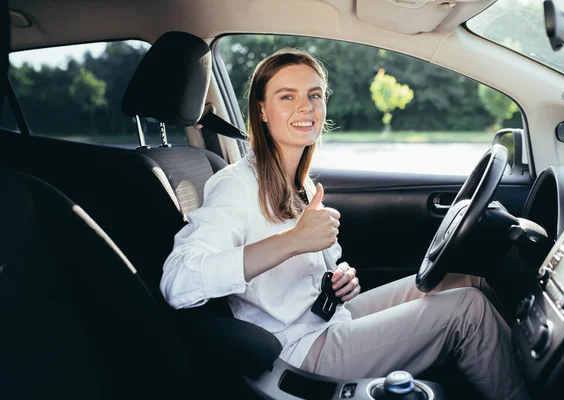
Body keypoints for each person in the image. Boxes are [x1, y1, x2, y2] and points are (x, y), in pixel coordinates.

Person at [160, 48, 530, 400]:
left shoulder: (299, 183)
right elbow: (179, 282)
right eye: (287, 96)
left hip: (330, 318)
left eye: (315, 95)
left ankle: (520, 369)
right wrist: (291, 240)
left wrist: (340, 278)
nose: (306, 106)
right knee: (468, 309)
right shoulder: (236, 185)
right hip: (296, 348)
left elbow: (310, 267)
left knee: (466, 280)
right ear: (262, 110)